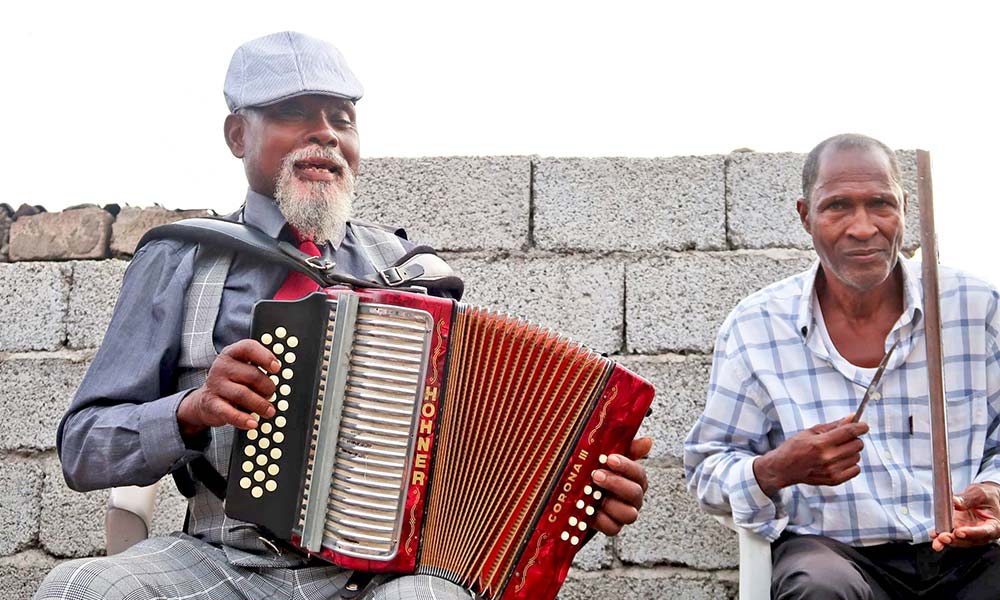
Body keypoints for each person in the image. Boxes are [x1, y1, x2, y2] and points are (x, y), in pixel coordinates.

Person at [35, 31, 651, 600]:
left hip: (383, 578)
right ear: (236, 135)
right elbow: (82, 449)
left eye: (343, 120)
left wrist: (575, 495)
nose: (326, 134)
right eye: (294, 113)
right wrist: (190, 411)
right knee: (77, 591)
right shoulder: (182, 258)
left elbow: (479, 459)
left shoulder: (415, 273)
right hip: (224, 561)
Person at [684, 133, 1000, 599]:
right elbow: (707, 466)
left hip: (965, 554)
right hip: (834, 554)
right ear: (805, 215)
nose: (863, 227)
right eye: (837, 207)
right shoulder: (757, 326)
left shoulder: (976, 307)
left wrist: (994, 491)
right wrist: (775, 469)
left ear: (905, 208)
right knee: (818, 588)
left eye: (880, 203)